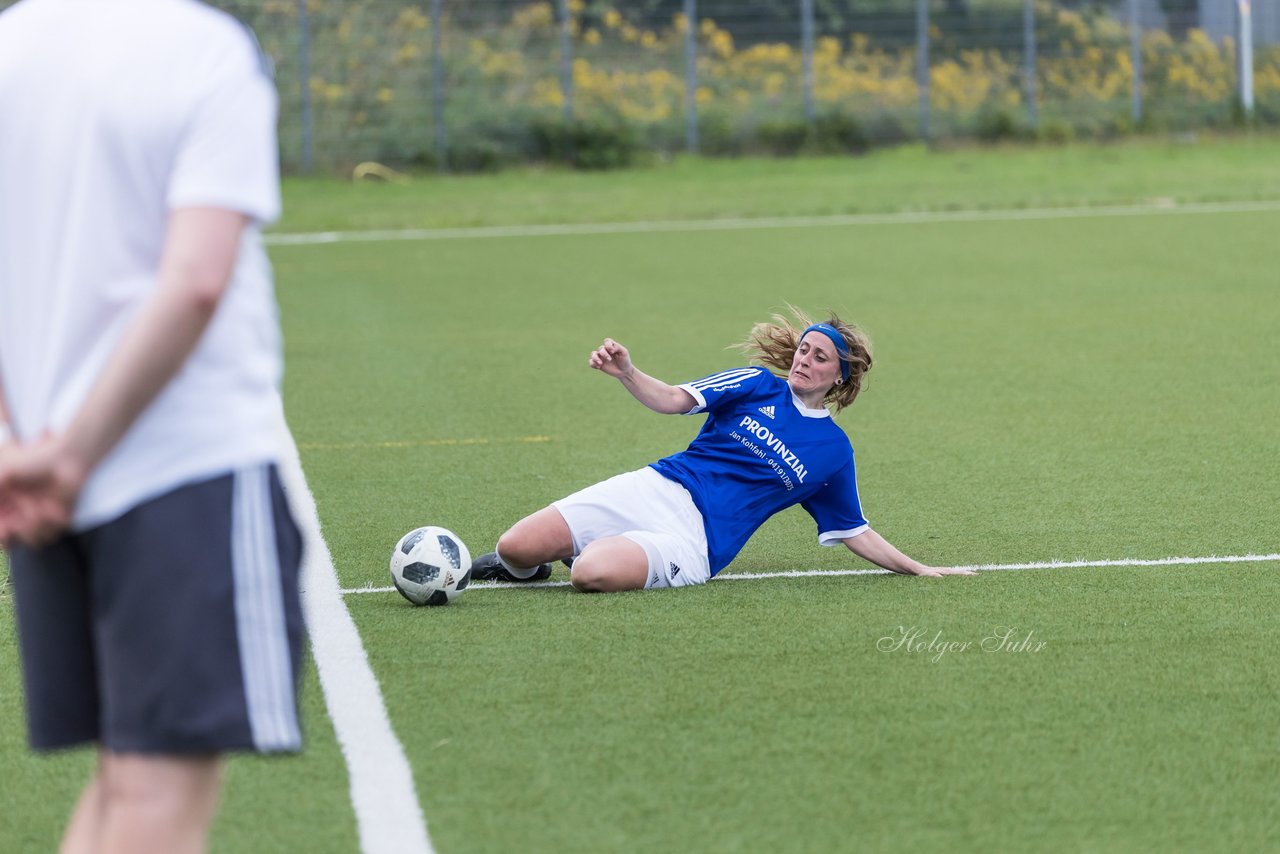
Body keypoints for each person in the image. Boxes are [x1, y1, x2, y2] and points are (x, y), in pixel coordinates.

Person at [0, 2, 303, 852]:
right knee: (156, 805)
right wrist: (71, 455)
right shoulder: (200, 50)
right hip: (181, 464)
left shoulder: (11, 45)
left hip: (44, 472)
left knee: (124, 785)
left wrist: (25, 446)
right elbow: (197, 280)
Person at [471, 308, 975, 592]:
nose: (804, 359)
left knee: (589, 573)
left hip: (696, 541)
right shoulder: (755, 383)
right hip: (657, 487)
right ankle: (532, 568)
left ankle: (595, 551)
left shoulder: (832, 452)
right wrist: (627, 372)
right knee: (514, 546)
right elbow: (672, 399)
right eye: (804, 348)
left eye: (819, 357)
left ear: (840, 377)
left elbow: (854, 531)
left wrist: (919, 568)